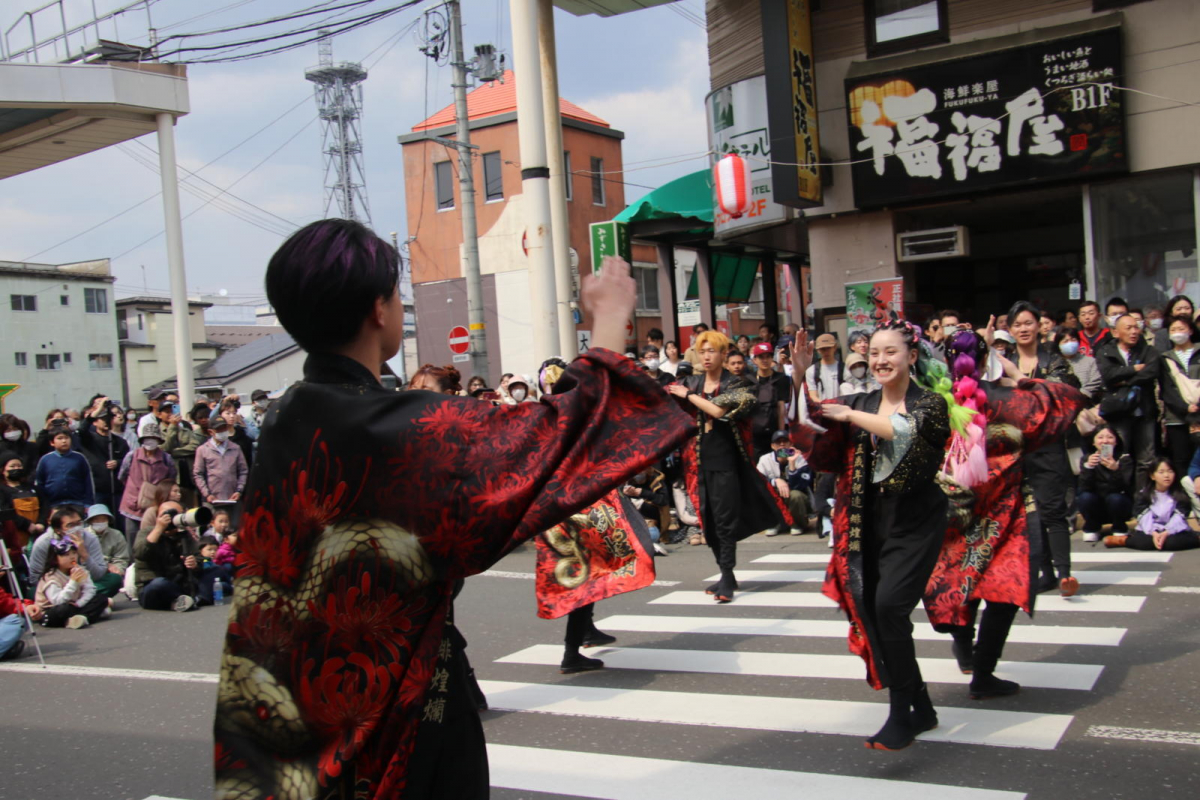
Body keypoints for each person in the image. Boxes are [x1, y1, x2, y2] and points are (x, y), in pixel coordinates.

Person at [213, 220, 693, 800]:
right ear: (379, 310)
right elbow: (560, 435)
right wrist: (609, 319)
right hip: (396, 710)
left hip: (288, 709)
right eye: (396, 294)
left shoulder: (286, 418)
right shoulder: (400, 428)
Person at [793, 320, 950, 751]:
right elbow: (810, 425)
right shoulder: (858, 400)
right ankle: (921, 706)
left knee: (889, 606)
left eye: (890, 352)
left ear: (911, 357)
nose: (880, 360)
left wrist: (850, 415)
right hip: (866, 521)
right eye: (873, 352)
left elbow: (907, 431)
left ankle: (901, 715)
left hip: (915, 522)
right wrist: (800, 376)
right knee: (876, 612)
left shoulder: (930, 402)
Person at [926, 329, 1084, 701]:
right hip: (1005, 512)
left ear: (946, 362)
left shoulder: (932, 405)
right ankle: (983, 672)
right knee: (1002, 591)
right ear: (986, 362)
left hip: (952, 510)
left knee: (959, 582)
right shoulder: (1012, 401)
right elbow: (1066, 400)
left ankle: (963, 647)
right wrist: (1018, 375)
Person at [670, 331, 789, 603]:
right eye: (702, 351)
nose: (706, 356)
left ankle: (726, 574)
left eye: (712, 351)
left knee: (724, 520)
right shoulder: (692, 381)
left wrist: (688, 395)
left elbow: (717, 410)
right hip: (697, 461)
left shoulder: (737, 383)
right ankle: (726, 573)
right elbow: (663, 397)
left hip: (726, 460)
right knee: (708, 520)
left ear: (724, 354)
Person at [1009, 300, 1081, 597]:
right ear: (1010, 330)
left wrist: (1019, 384)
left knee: (1052, 510)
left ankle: (1064, 573)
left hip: (1049, 445)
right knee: (1029, 514)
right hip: (1016, 447)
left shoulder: (1054, 361)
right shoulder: (1003, 361)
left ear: (1039, 326)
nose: (1023, 329)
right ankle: (1045, 573)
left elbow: (1057, 396)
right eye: (1017, 324)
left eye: (1028, 323)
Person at [1096, 314, 1161, 491]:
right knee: (1114, 454)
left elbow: (1151, 373)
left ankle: (1142, 497)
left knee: (1146, 458)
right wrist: (1134, 369)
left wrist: (1125, 380)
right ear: (1116, 332)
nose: (1134, 332)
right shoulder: (1105, 351)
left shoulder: (1148, 350)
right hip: (1117, 411)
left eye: (1136, 327)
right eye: (1128, 328)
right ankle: (1114, 495)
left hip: (1144, 411)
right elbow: (1108, 375)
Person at [1106, 459, 1198, 551]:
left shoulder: (1180, 494)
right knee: (1145, 543)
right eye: (1161, 472)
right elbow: (1143, 517)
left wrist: (1167, 532)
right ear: (1152, 476)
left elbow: (1179, 517)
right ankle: (1123, 540)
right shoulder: (1143, 494)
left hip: (1174, 529)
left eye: (1170, 471)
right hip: (1150, 529)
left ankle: (1197, 539)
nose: (1166, 475)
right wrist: (1154, 533)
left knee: (1171, 543)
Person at [116, 422, 177, 547]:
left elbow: (170, 480)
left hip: (154, 508)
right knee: (132, 542)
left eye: (153, 438)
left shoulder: (166, 458)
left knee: (152, 541)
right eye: (147, 438)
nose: (150, 441)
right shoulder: (131, 456)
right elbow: (122, 476)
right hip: (132, 506)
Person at [133, 500, 201, 611]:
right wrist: (159, 528)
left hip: (179, 583)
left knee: (213, 570)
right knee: (159, 584)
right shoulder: (147, 532)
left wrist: (195, 563)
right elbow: (140, 553)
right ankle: (189, 599)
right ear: (158, 517)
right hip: (152, 585)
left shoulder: (184, 535)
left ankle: (184, 600)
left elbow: (203, 559)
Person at [1158, 314, 1200, 481]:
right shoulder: (1165, 358)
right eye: (1173, 330)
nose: (1177, 333)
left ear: (1190, 330)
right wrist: (1185, 407)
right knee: (1180, 459)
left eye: (1181, 328)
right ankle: (1184, 493)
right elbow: (1167, 389)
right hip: (1176, 417)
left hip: (1199, 413)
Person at [35, 537, 110, 629]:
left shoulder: (79, 570)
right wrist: (73, 582)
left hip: (74, 605)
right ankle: (88, 615)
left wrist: (80, 603)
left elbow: (90, 590)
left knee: (101, 598)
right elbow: (57, 601)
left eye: (74, 553)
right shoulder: (50, 576)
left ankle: (78, 619)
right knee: (64, 609)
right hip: (53, 610)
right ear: (55, 558)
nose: (72, 557)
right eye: (66, 554)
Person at [1076, 426, 1135, 543]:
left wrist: (1116, 469)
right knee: (1085, 497)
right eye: (1100, 437)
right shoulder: (1087, 459)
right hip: (1096, 505)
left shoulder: (1124, 459)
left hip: (1117, 505)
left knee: (1115, 498)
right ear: (1093, 442)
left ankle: (1119, 527)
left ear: (1116, 441)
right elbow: (1084, 487)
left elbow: (1126, 487)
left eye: (1110, 437)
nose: (1105, 441)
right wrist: (1089, 467)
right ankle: (1092, 528)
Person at [194, 417, 249, 527]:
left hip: (232, 499)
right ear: (211, 432)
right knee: (212, 530)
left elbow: (243, 471)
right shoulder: (203, 450)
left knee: (233, 529)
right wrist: (207, 494)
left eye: (224, 428)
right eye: (219, 430)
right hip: (212, 500)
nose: (223, 432)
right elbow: (198, 474)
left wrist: (239, 490)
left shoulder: (236, 448)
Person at [756, 430, 810, 536]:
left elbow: (801, 486)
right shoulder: (765, 459)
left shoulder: (800, 458)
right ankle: (774, 523)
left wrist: (792, 464)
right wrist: (775, 481)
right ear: (772, 446)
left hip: (795, 496)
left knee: (796, 495)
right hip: (776, 495)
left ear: (791, 444)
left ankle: (796, 524)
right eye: (778, 442)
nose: (782, 444)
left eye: (785, 441)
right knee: (767, 493)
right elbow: (758, 481)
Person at [163, 402, 210, 508]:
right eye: (166, 412)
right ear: (160, 415)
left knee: (193, 506)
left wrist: (175, 452)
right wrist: (172, 427)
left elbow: (195, 446)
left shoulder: (185, 427)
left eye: (172, 411)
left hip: (189, 475)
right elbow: (165, 448)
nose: (170, 414)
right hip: (174, 477)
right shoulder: (159, 430)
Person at [35, 427, 94, 510]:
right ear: (52, 442)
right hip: (53, 505)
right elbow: (40, 483)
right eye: (60, 438)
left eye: (66, 438)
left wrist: (88, 503)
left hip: (77, 503)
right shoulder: (45, 460)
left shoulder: (79, 458)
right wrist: (44, 505)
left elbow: (88, 481)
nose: (64, 441)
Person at [748, 343, 789, 460]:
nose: (765, 360)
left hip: (775, 432)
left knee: (782, 460)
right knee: (757, 464)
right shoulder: (748, 380)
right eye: (761, 357)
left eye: (768, 356)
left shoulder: (782, 379)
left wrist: (781, 435)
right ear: (754, 360)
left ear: (772, 358)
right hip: (755, 435)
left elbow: (781, 407)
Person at [82, 504, 127, 599]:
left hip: (106, 576)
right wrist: (106, 565)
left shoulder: (117, 535)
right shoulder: (83, 535)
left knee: (115, 580)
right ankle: (88, 596)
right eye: (96, 520)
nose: (100, 522)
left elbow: (122, 558)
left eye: (103, 519)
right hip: (87, 572)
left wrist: (118, 569)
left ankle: (89, 596)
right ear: (90, 521)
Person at [1056, 328, 1102, 399]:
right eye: (1065, 341)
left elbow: (1095, 382)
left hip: (1086, 401)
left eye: (1073, 340)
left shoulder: (1091, 361)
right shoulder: (1055, 364)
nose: (1070, 343)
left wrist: (1079, 396)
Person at [195, 535, 233, 605]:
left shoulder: (212, 560)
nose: (213, 552)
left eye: (215, 550)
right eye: (209, 549)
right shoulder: (203, 560)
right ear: (201, 551)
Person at [805, 333, 843, 402]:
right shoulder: (811, 371)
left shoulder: (843, 368)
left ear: (835, 347)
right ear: (817, 350)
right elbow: (813, 395)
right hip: (822, 406)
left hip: (842, 406)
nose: (826, 352)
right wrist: (824, 405)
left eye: (828, 348)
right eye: (822, 349)